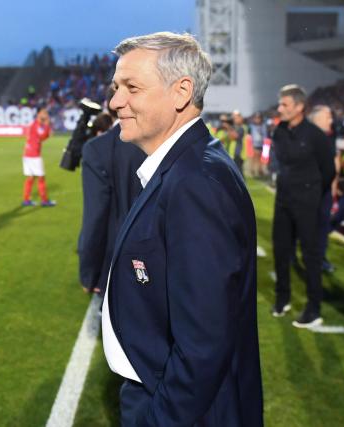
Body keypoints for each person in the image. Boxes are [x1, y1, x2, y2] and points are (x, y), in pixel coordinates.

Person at [103, 32, 262, 426]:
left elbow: (203, 344)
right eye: (116, 88)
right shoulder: (188, 168)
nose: (114, 101)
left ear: (181, 92)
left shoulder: (195, 183)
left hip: (180, 408)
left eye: (131, 88)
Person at [271, 84, 336, 328]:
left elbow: (328, 170)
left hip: (308, 203)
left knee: (310, 255)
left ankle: (314, 308)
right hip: (284, 200)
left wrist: (312, 193)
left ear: (299, 107)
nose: (280, 108)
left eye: (285, 104)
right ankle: (282, 298)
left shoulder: (316, 136)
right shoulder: (280, 131)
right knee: (280, 251)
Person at [78, 86, 146, 294]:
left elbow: (96, 216)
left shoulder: (98, 149)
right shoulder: (162, 142)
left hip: (116, 264)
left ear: (110, 106)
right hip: (160, 261)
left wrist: (89, 272)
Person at [308, 104, 339, 274]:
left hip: (324, 191)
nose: (331, 120)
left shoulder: (329, 137)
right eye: (328, 117)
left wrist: (333, 188)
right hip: (308, 191)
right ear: (317, 118)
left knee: (322, 227)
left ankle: (319, 259)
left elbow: (334, 162)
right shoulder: (307, 137)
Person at [21, 108, 54, 207]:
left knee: (30, 177)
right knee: (41, 178)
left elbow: (42, 138)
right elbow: (41, 136)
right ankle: (44, 201)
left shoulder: (36, 125)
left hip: (28, 154)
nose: (46, 115)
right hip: (33, 155)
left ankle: (26, 200)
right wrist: (48, 127)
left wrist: (47, 131)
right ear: (39, 114)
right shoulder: (36, 125)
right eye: (44, 113)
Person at [248, 112, 266, 177]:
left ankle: (260, 170)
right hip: (254, 144)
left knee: (261, 159)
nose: (257, 119)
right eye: (256, 118)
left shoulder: (263, 126)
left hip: (262, 144)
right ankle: (252, 170)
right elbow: (249, 135)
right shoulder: (251, 126)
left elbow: (265, 135)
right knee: (254, 158)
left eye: (259, 118)